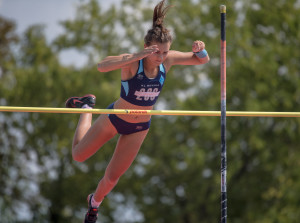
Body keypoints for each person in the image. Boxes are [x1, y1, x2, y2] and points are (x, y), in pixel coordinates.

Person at [65, 0, 209, 222]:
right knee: (78, 156)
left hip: (139, 127)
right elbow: (101, 66)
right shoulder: (133, 63)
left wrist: (201, 50)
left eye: (164, 52)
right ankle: (87, 107)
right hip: (115, 118)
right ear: (146, 47)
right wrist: (136, 55)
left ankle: (94, 203)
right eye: (156, 52)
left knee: (112, 178)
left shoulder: (167, 60)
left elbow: (202, 61)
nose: (160, 57)